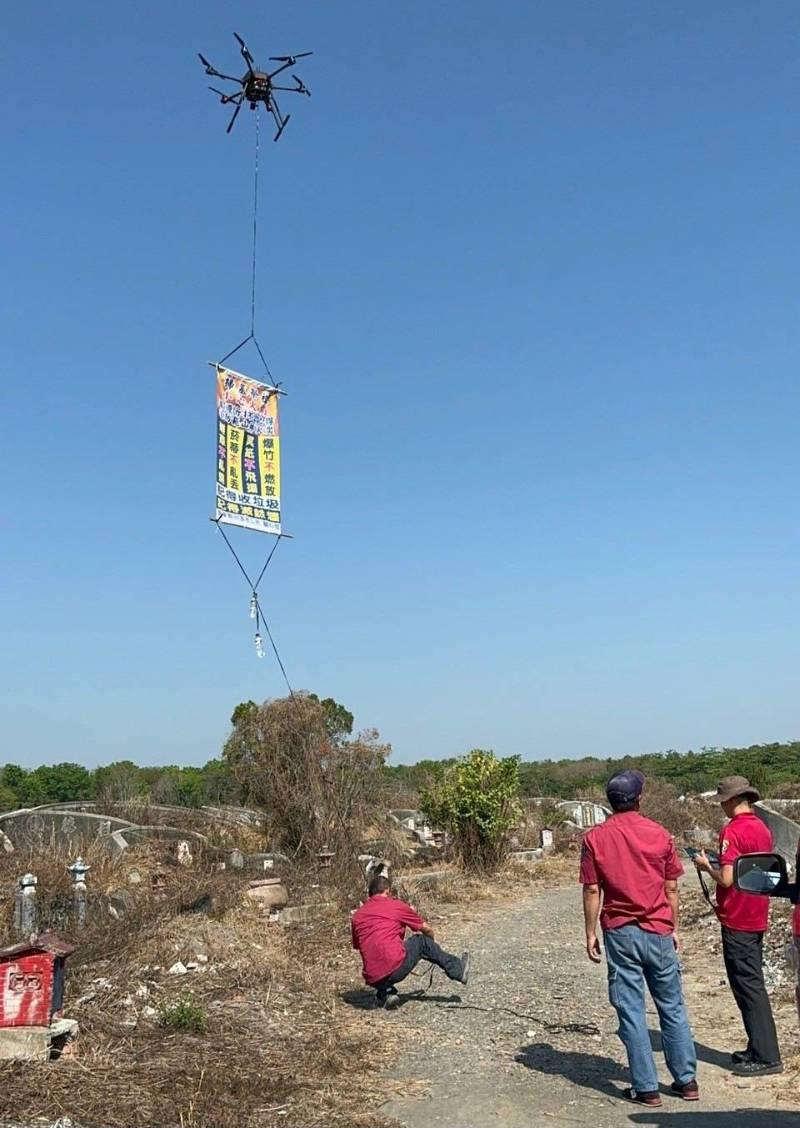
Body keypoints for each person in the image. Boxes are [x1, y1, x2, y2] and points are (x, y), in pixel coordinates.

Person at [580, 769, 698, 1107]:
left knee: (631, 1010)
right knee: (672, 1007)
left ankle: (646, 1088)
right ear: (640, 798)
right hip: (659, 930)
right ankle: (686, 1081)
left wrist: (589, 932)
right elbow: (671, 886)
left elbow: (592, 888)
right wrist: (672, 926)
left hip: (620, 932)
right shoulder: (660, 834)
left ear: (610, 802)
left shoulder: (595, 838)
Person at [693, 776, 782, 1075]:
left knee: (747, 985)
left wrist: (707, 867)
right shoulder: (762, 828)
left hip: (738, 915)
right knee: (750, 982)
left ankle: (768, 1055)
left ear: (731, 801)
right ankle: (757, 1045)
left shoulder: (732, 830)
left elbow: (728, 879)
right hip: (757, 910)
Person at [351, 873, 469, 1009]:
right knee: (421, 941)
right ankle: (458, 969)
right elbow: (427, 929)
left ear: (369, 894)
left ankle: (386, 993)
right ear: (388, 891)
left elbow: (360, 945)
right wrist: (430, 944)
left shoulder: (357, 916)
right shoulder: (396, 906)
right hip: (395, 969)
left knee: (380, 962)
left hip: (372, 976)